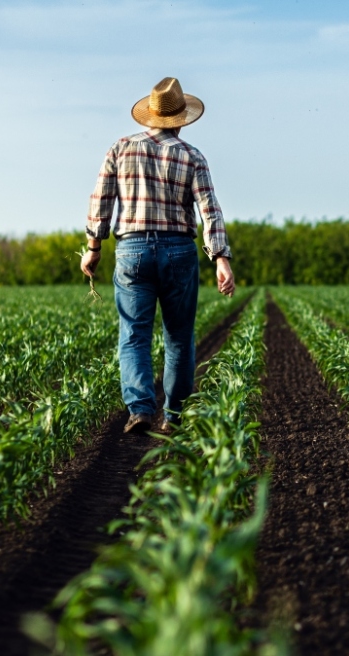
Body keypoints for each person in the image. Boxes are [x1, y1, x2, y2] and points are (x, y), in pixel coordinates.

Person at [80, 76, 235, 433]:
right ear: (181, 119)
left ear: (149, 116)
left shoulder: (120, 148)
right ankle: (175, 416)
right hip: (179, 250)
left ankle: (140, 410)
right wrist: (220, 257)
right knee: (178, 335)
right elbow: (209, 210)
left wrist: (93, 247)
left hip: (132, 250)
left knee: (134, 333)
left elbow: (100, 201)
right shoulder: (192, 156)